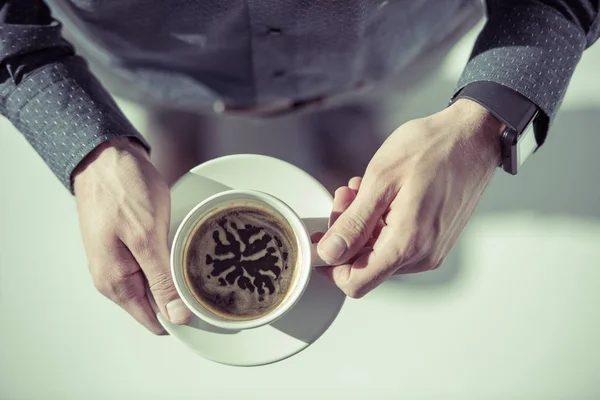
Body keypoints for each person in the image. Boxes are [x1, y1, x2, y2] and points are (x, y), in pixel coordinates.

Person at [1, 0, 598, 334]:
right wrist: (89, 146)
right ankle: (173, 123)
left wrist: (482, 121)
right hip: (148, 63)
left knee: (367, 102)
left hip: (389, 46)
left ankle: (346, 119)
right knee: (164, 102)